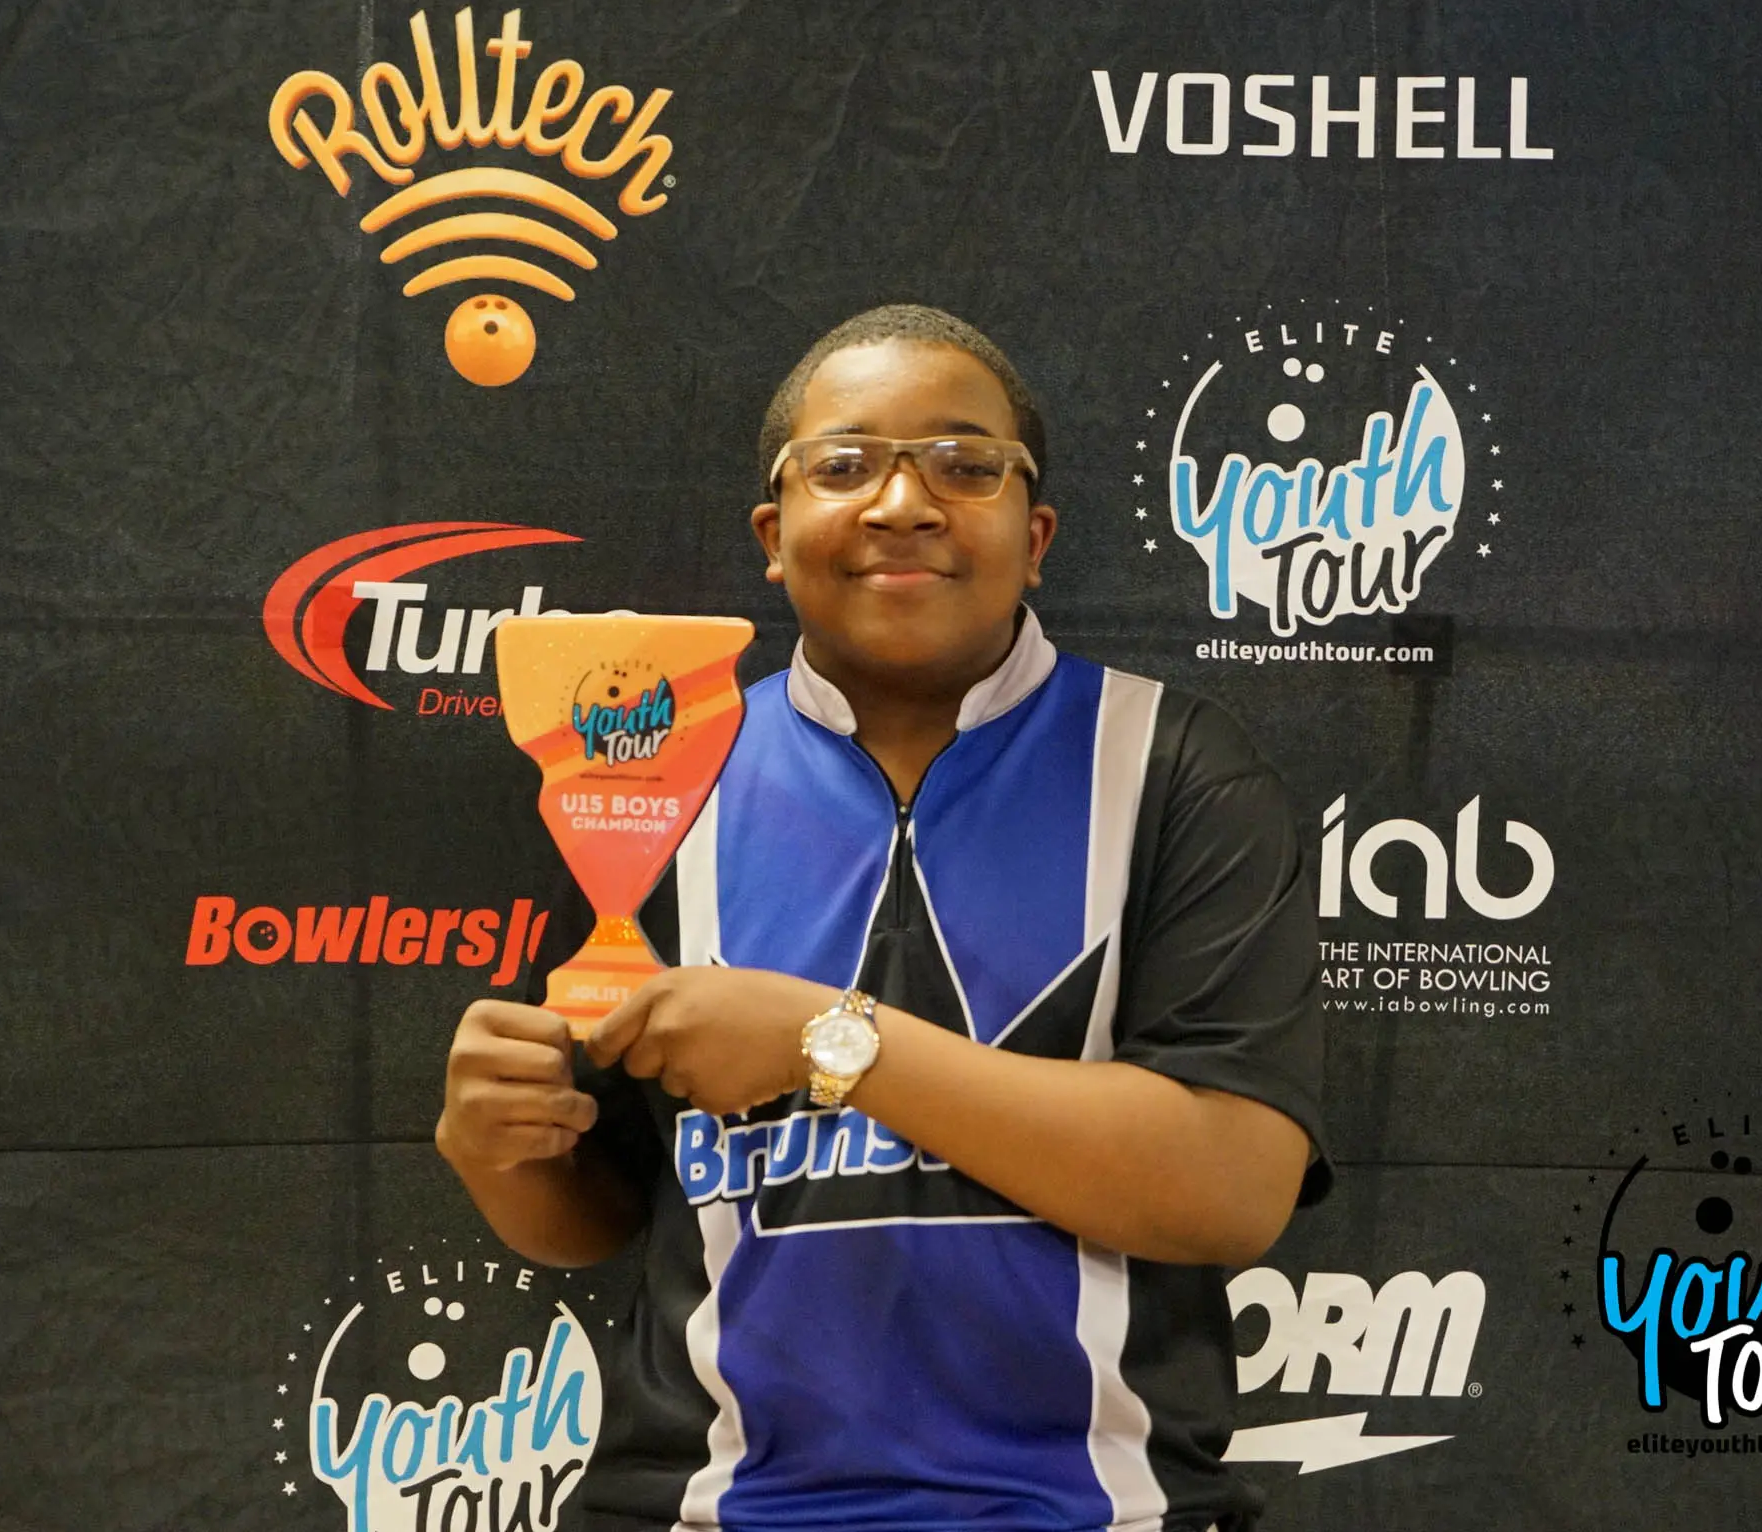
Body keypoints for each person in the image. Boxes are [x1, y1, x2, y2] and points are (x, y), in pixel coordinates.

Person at [438, 304, 1327, 1532]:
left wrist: (830, 1044)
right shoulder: (651, 771)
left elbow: (1229, 1189)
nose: (903, 504)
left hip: (1093, 1514)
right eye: (844, 465)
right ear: (773, 533)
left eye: (965, 466)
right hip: (706, 1511)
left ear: (1036, 536)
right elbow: (610, 1210)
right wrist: (503, 1150)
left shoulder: (1175, 766)